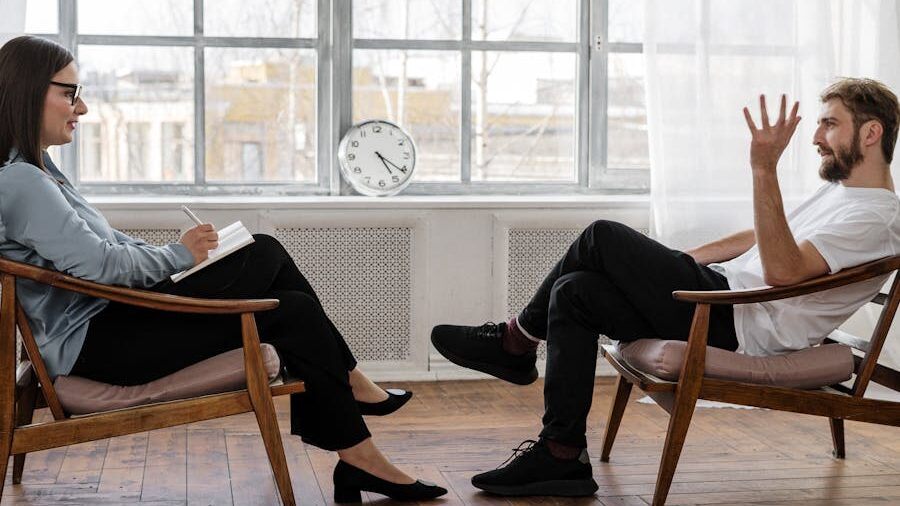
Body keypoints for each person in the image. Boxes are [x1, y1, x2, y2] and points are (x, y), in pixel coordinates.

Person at [0, 35, 446, 503]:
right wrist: (179, 256)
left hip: (110, 325)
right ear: (30, 91)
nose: (83, 107)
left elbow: (105, 246)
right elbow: (101, 265)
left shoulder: (39, 171)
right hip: (101, 344)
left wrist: (182, 255)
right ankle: (354, 404)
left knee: (288, 301)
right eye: (70, 93)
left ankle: (359, 457)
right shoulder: (23, 182)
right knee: (267, 257)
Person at [432, 77, 900, 496]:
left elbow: (782, 272)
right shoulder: (842, 196)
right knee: (574, 290)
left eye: (829, 125)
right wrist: (671, 263)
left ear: (871, 132)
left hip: (737, 323)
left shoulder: (877, 217)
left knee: (602, 235)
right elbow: (760, 237)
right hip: (722, 297)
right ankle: (561, 453)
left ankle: (515, 342)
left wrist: (763, 169)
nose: (817, 138)